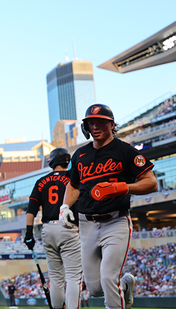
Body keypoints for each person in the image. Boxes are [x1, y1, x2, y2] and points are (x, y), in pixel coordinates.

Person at [59, 104, 157, 309]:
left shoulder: (125, 151)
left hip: (115, 221)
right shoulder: (80, 154)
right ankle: (125, 285)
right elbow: (73, 185)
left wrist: (122, 188)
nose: (95, 126)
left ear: (112, 124)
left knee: (108, 277)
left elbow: (151, 182)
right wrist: (65, 207)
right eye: (91, 123)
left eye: (101, 122)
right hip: (86, 224)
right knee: (95, 288)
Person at [24, 148, 82, 309]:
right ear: (66, 161)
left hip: (48, 229)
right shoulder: (73, 179)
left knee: (56, 277)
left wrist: (29, 234)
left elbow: (31, 211)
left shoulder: (41, 181)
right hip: (68, 227)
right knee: (73, 276)